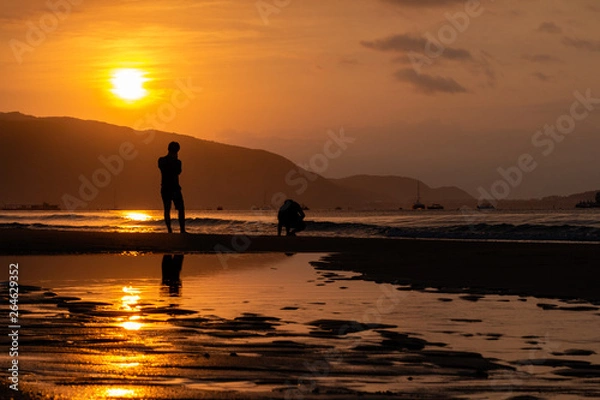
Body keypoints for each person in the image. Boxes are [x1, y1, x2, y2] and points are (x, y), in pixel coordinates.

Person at [158, 141, 186, 233]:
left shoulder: (162, 160)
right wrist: (174, 161)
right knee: (179, 208)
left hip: (167, 188)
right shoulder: (177, 162)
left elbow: (174, 171)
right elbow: (177, 172)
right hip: (173, 188)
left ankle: (170, 230)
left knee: (168, 209)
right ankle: (181, 230)